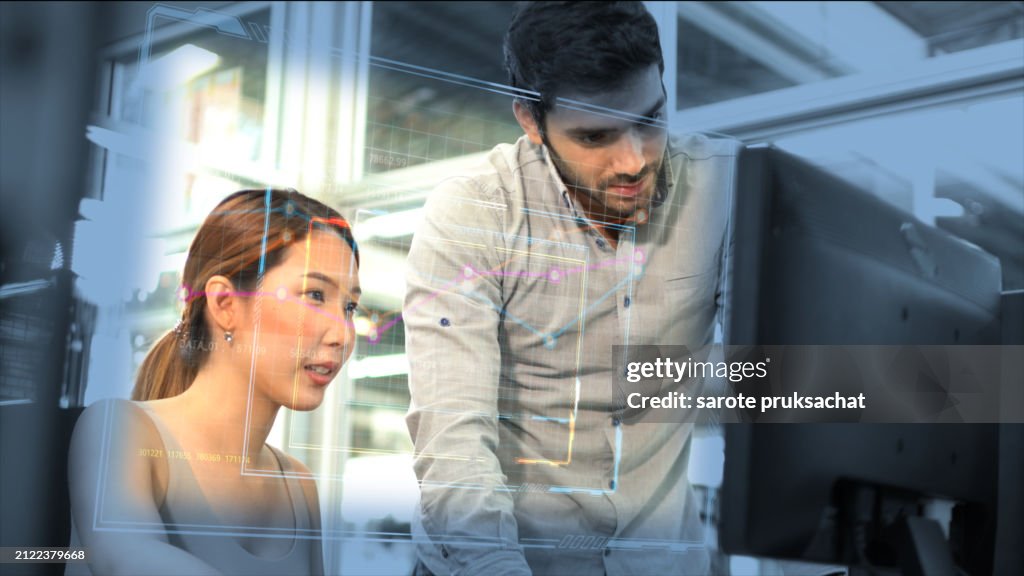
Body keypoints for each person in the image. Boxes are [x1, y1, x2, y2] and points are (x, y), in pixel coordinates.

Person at [403, 2, 741, 575]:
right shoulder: (473, 213)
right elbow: (454, 448)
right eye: (595, 136)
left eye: (651, 121)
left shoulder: (725, 189)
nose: (634, 160)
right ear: (531, 122)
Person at [67, 188, 361, 575]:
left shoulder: (299, 487)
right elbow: (127, 557)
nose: (343, 334)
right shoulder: (119, 430)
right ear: (224, 304)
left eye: (350, 306)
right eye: (315, 294)